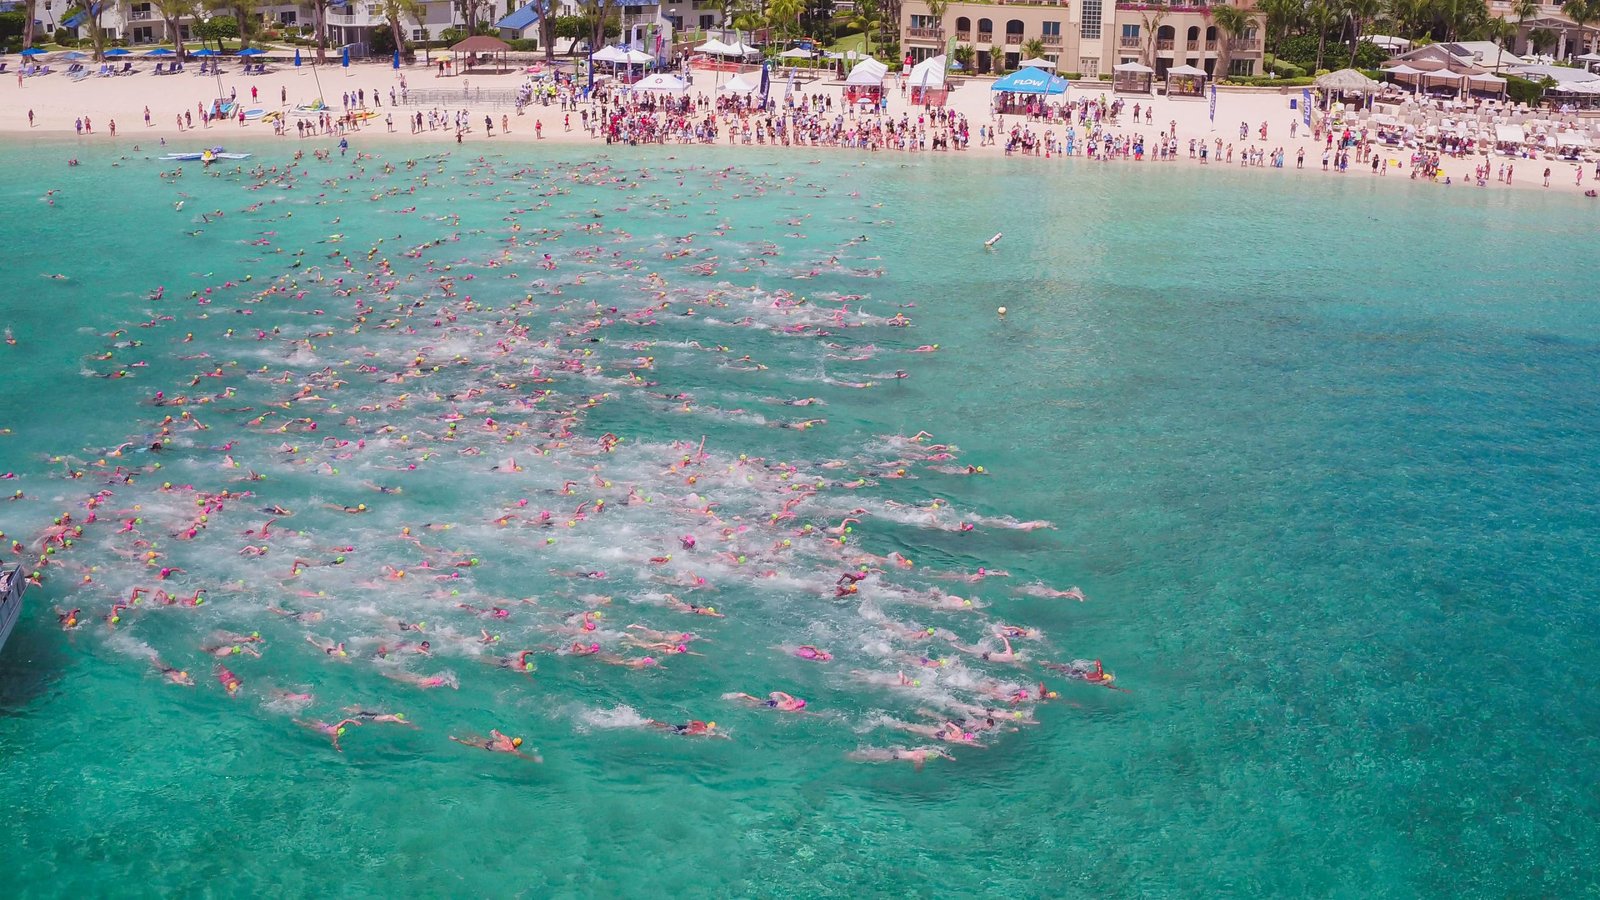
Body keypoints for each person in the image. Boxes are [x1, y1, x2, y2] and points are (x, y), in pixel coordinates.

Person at [450, 729, 538, 760]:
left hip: (491, 742)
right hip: (490, 747)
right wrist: (533, 758)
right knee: (472, 744)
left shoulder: (507, 738)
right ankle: (457, 740)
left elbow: (497, 733)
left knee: (477, 737)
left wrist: (495, 731)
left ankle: (464, 732)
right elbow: (521, 755)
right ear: (518, 745)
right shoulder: (512, 749)